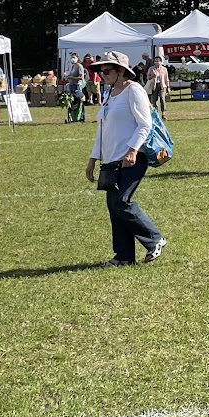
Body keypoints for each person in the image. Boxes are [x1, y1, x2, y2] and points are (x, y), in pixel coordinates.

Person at [85, 50, 166, 267]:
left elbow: (145, 124)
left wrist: (132, 151)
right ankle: (123, 257)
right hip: (110, 160)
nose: (103, 74)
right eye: (101, 71)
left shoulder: (134, 90)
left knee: (121, 202)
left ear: (121, 70)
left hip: (132, 158)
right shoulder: (109, 93)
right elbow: (102, 129)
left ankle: (154, 239)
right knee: (114, 206)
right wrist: (93, 159)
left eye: (108, 70)